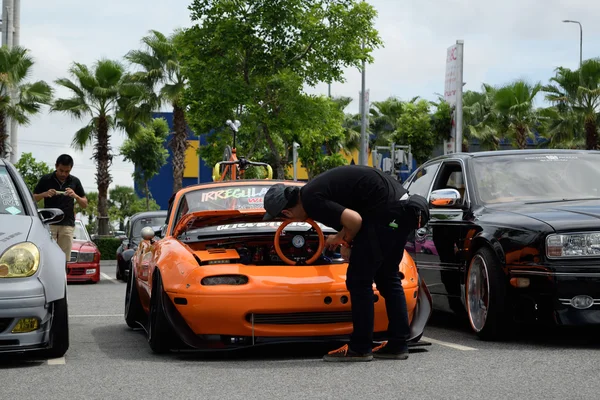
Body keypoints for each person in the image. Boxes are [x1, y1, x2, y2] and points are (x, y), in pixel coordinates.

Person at [263, 165, 428, 362]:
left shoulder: (312, 200)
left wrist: (347, 242)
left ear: (286, 212)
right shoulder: (313, 191)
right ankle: (398, 344)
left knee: (359, 281)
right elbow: (355, 219)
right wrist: (343, 238)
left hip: (385, 214)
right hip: (401, 210)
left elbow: (355, 220)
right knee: (387, 277)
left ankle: (360, 348)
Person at [33, 154, 88, 262]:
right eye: (61, 170)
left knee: (64, 258)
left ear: (71, 169)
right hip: (49, 224)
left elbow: (85, 204)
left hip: (67, 224)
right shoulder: (46, 179)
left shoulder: (75, 181)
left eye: (67, 171)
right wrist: (45, 194)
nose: (63, 174)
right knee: (47, 257)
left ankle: (63, 278)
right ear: (56, 166)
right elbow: (32, 198)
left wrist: (75, 196)